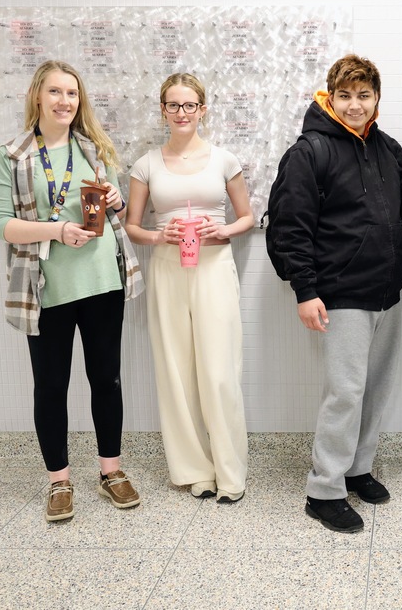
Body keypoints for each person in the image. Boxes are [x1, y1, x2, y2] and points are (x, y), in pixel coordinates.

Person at [267, 54, 402, 533]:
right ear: (329, 98)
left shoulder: (387, 146)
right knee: (345, 393)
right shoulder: (310, 151)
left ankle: (357, 468)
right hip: (341, 292)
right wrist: (305, 290)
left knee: (374, 388)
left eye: (364, 95)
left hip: (387, 289)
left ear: (377, 99)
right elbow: (290, 227)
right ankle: (324, 489)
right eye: (346, 95)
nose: (355, 105)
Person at [0, 60, 144, 522]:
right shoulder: (13, 155)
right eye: (55, 92)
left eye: (72, 94)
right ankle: (59, 480)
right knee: (51, 386)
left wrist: (114, 198)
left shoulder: (94, 148)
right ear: (38, 95)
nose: (64, 101)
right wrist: (55, 232)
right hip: (47, 286)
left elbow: (108, 204)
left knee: (107, 379)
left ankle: (111, 472)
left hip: (101, 281)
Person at [125, 73, 254, 504]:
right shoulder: (146, 164)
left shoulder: (224, 159)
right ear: (163, 110)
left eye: (189, 105)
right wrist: (160, 236)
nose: (181, 113)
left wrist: (224, 229)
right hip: (166, 267)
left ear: (202, 109)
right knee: (176, 371)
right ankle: (196, 471)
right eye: (173, 105)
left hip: (214, 265)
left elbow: (247, 217)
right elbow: (132, 226)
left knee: (219, 372)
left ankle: (230, 472)